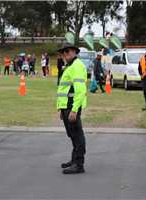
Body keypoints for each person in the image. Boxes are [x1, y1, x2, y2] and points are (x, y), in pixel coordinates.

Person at [56, 43, 87, 174]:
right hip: (66, 106)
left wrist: (74, 110)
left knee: (76, 133)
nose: (65, 53)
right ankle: (75, 159)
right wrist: (61, 108)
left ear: (74, 52)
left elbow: (80, 90)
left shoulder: (76, 65)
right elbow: (65, 88)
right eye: (63, 52)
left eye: (67, 51)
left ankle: (79, 164)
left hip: (71, 106)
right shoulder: (70, 66)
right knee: (73, 135)